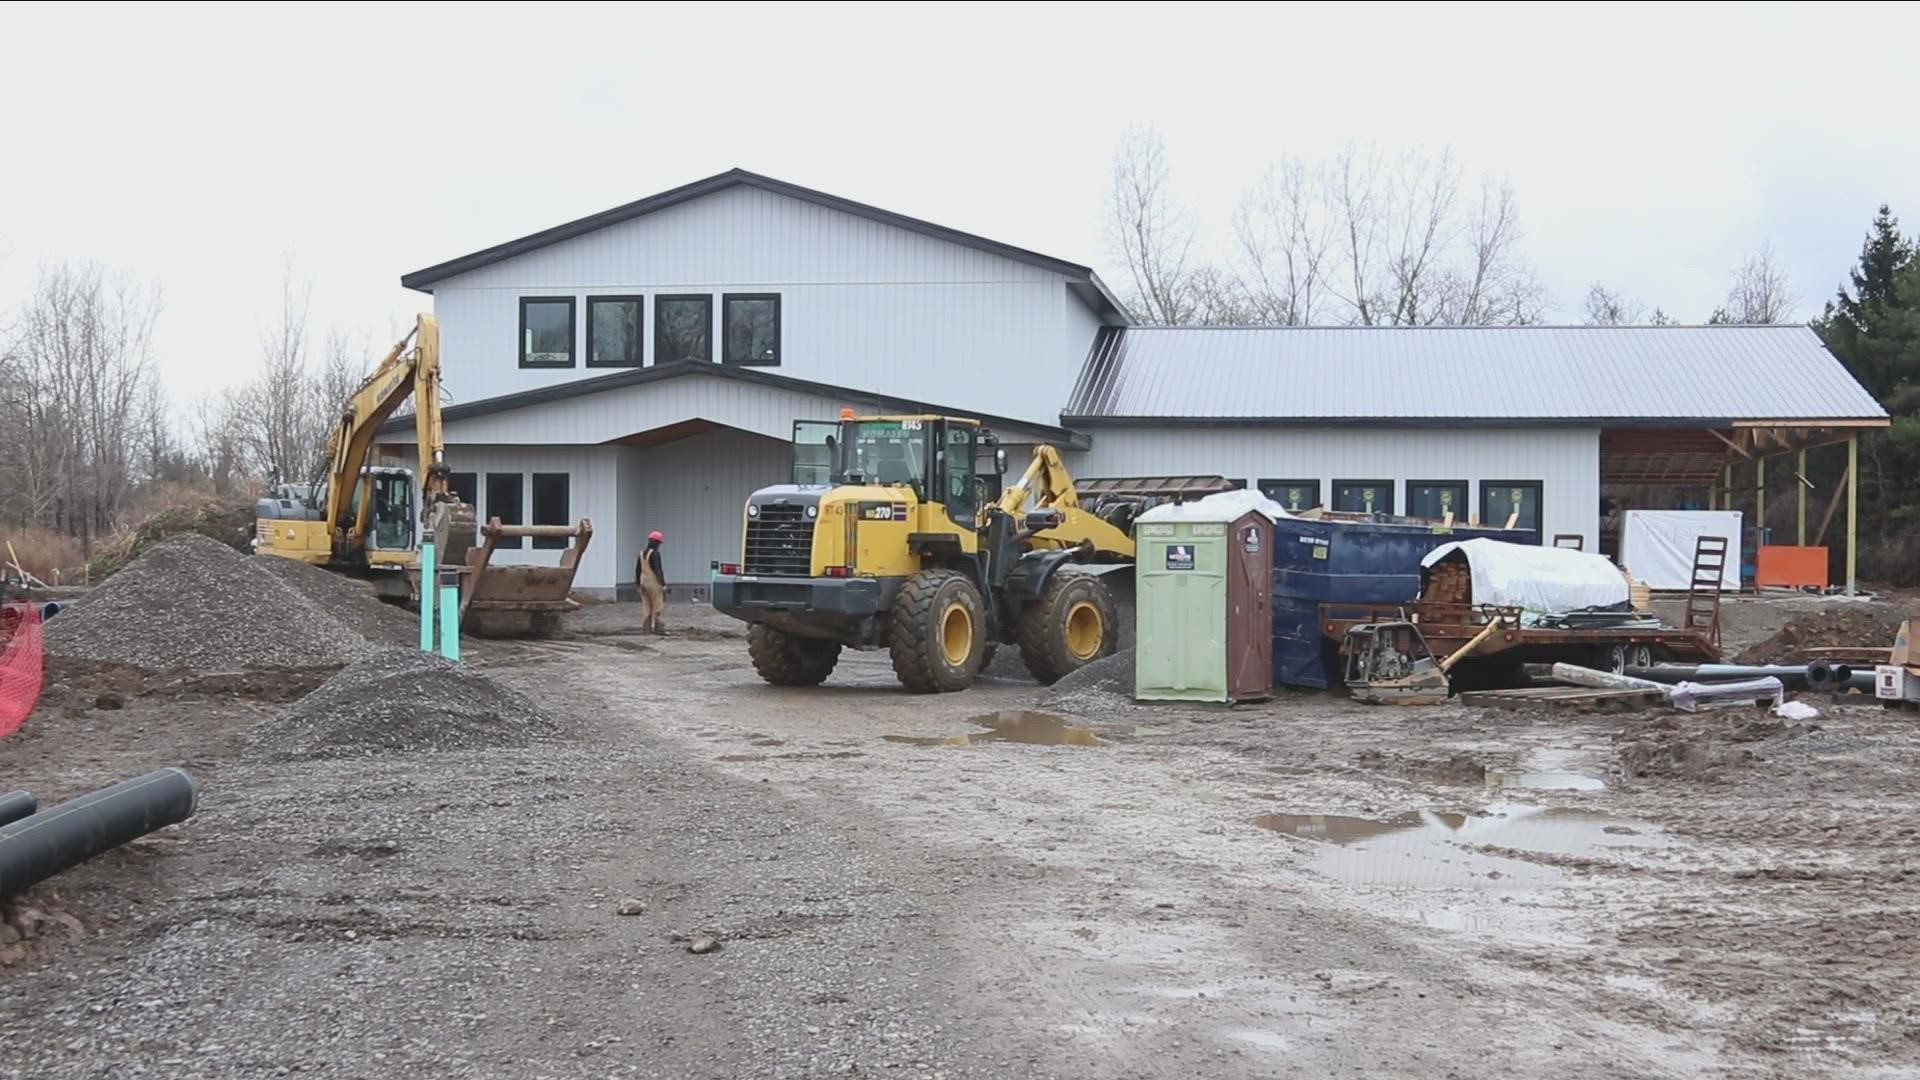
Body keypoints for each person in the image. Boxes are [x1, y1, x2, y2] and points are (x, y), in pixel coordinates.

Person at [638, 530, 667, 635]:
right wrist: (663, 584)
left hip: (643, 582)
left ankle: (646, 628)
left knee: (646, 605)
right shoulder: (655, 554)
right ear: (656, 542)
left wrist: (637, 583)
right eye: (659, 543)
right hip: (653, 583)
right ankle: (659, 628)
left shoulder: (641, 553)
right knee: (658, 605)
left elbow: (638, 569)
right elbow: (658, 570)